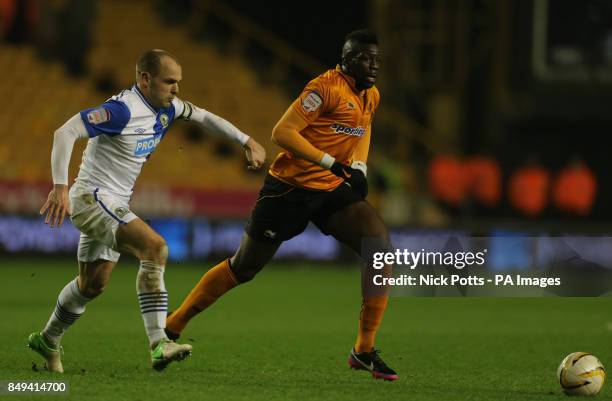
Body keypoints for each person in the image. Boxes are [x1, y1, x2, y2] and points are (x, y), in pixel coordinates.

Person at [165, 30, 398, 381]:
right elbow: (282, 132)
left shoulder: (371, 96)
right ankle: (172, 325)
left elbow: (362, 131)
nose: (374, 65)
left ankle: (363, 350)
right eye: (366, 58)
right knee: (243, 268)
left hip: (331, 189)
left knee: (379, 249)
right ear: (348, 59)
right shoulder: (323, 89)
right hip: (289, 189)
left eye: (377, 59)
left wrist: (360, 168)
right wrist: (332, 164)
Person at [29, 49, 266, 372]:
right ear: (145, 79)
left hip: (113, 203)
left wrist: (246, 139)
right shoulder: (122, 111)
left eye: (178, 82)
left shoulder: (167, 109)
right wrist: (60, 187)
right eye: (169, 81)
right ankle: (159, 342)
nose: (176, 89)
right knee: (155, 248)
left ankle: (48, 338)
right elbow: (65, 132)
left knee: (92, 285)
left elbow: (204, 117)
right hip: (91, 198)